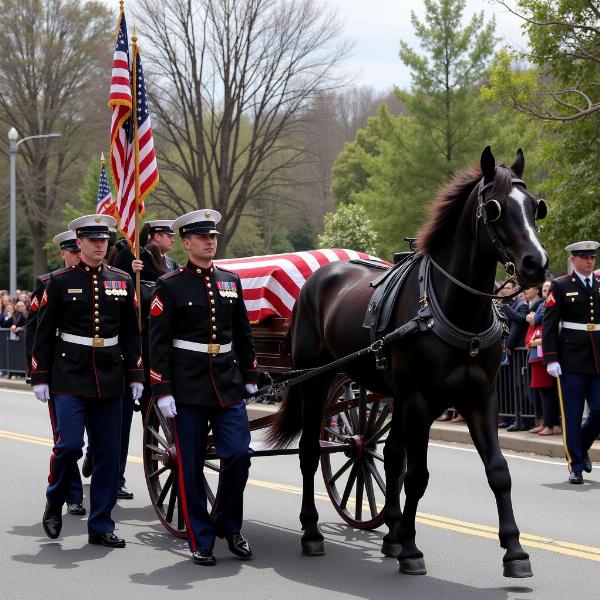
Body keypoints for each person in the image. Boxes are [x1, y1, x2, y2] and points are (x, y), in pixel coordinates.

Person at [149, 209, 258, 566]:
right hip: (187, 387)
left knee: (239, 455)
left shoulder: (230, 280)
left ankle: (229, 524)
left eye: (213, 236)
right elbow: (159, 341)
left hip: (227, 384)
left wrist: (250, 373)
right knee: (191, 466)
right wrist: (161, 389)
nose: (210, 242)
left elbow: (242, 331)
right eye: (202, 237)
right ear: (187, 242)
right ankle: (201, 537)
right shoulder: (171, 284)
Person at [30, 214, 144, 546]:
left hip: (110, 375)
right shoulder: (60, 281)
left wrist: (135, 373)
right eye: (92, 241)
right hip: (69, 375)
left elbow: (130, 333)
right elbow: (43, 333)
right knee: (68, 446)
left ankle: (101, 525)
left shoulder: (121, 280)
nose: (98, 245)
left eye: (103, 241)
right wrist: (40, 375)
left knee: (108, 454)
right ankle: (55, 497)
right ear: (78, 244)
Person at [25, 231, 87, 515]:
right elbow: (36, 329)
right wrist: (36, 372)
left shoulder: (102, 280)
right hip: (62, 370)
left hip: (99, 372)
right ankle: (73, 495)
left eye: (79, 250)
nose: (77, 255)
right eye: (72, 251)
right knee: (68, 440)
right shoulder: (49, 283)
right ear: (63, 253)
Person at [543, 240, 600, 484]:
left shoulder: (599, 285)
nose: (590, 261)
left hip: (597, 359)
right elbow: (549, 324)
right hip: (571, 360)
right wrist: (551, 358)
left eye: (592, 257)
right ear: (573, 259)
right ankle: (575, 465)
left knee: (599, 410)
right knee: (573, 415)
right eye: (584, 257)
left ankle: (583, 445)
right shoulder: (561, 285)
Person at [499, 280, 532, 431]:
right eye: (503, 288)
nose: (505, 291)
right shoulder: (503, 305)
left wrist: (509, 346)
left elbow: (519, 325)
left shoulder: (521, 305)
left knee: (518, 386)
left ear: (515, 289)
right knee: (506, 386)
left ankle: (522, 420)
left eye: (508, 288)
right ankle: (507, 418)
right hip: (504, 353)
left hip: (517, 351)